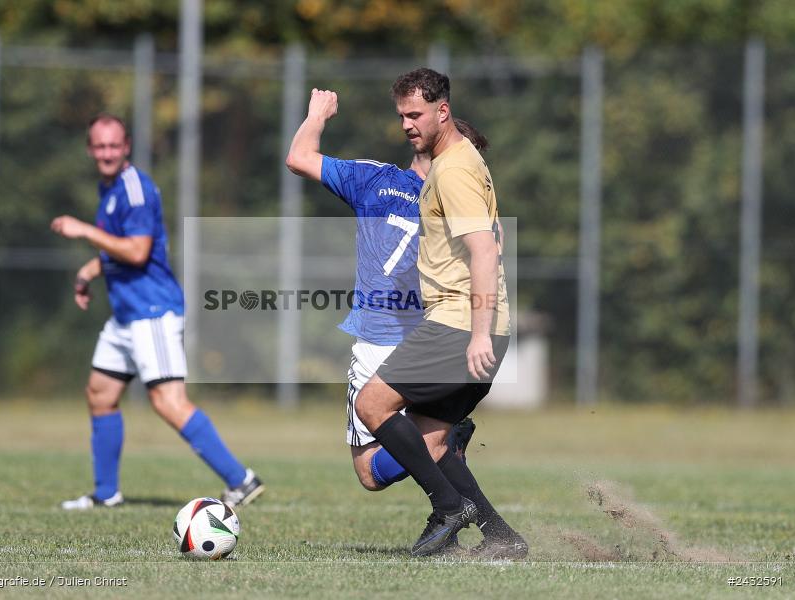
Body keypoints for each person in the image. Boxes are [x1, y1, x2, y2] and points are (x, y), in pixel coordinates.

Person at [354, 69, 527, 558]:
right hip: (480, 326)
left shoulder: (451, 170)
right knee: (431, 446)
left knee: (371, 406)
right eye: (402, 116)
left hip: (459, 324)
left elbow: (484, 252)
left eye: (416, 115)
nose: (407, 125)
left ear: (442, 111)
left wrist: (476, 335)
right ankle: (502, 538)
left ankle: (449, 509)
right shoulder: (463, 161)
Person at [50, 113, 263, 510]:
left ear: (126, 146)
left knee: (168, 401)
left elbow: (137, 250)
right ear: (90, 149)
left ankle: (242, 480)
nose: (107, 152)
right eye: (100, 146)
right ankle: (106, 494)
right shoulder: (111, 189)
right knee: (100, 393)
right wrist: (90, 270)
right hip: (126, 315)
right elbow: (121, 251)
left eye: (114, 145)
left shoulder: (133, 190)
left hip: (152, 312)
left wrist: (84, 231)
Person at [285, 89, 487, 493]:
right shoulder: (465, 201)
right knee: (425, 440)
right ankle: (484, 523)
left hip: (380, 337)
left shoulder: (374, 179)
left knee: (370, 472)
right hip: (436, 334)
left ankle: (444, 454)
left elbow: (298, 157)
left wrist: (317, 115)